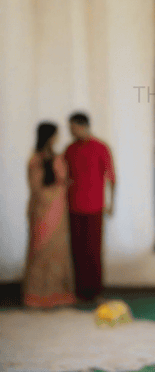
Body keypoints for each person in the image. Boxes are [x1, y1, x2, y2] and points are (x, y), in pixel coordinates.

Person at [23, 122, 76, 308]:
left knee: (43, 249)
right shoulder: (48, 159)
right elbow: (54, 184)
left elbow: (36, 188)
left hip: (44, 210)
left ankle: (39, 296)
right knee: (50, 249)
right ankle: (49, 296)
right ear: (51, 137)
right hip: (53, 210)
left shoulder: (35, 159)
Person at [65, 112, 116, 303]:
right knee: (76, 250)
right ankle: (78, 292)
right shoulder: (69, 150)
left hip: (95, 207)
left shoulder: (100, 148)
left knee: (93, 251)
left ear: (83, 126)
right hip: (73, 207)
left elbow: (111, 177)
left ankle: (95, 292)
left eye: (73, 128)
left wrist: (111, 204)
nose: (71, 132)